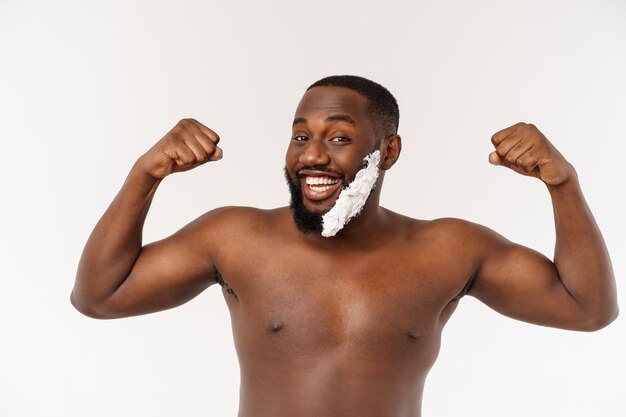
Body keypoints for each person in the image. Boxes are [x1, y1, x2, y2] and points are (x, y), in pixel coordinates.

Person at [71, 75, 618, 417]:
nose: (311, 155)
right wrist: (146, 174)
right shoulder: (234, 235)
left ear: (388, 151)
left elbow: (588, 309)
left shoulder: (448, 248)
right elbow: (99, 297)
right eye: (300, 135)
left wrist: (562, 184)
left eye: (338, 137)